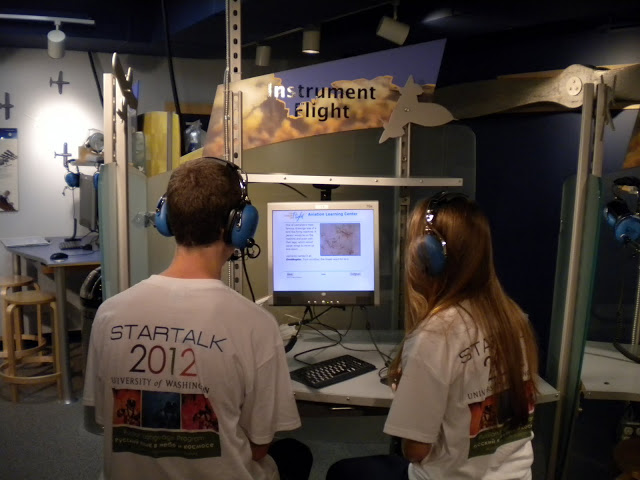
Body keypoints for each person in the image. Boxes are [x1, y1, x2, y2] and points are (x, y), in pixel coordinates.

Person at [84, 157, 312, 480]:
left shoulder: (109, 315)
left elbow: (107, 422)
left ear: (166, 219)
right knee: (295, 454)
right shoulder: (256, 326)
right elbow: (259, 446)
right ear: (239, 224)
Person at [327, 192, 539, 480]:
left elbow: (416, 451)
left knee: (342, 472)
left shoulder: (437, 336)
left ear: (427, 256)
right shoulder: (514, 318)